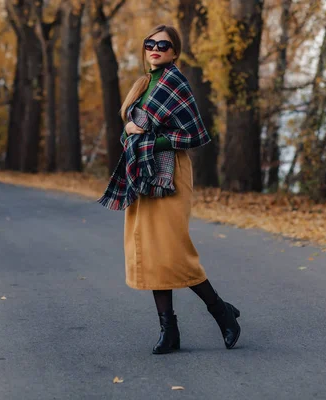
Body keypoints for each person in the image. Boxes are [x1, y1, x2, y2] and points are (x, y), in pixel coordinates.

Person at [98, 24, 241, 354]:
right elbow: (129, 136)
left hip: (170, 174)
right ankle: (169, 330)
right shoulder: (142, 85)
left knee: (173, 250)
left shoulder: (175, 81)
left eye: (163, 45)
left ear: (174, 52)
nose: (155, 49)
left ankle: (222, 313)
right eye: (150, 43)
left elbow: (195, 135)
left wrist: (150, 139)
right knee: (149, 252)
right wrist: (132, 134)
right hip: (143, 173)